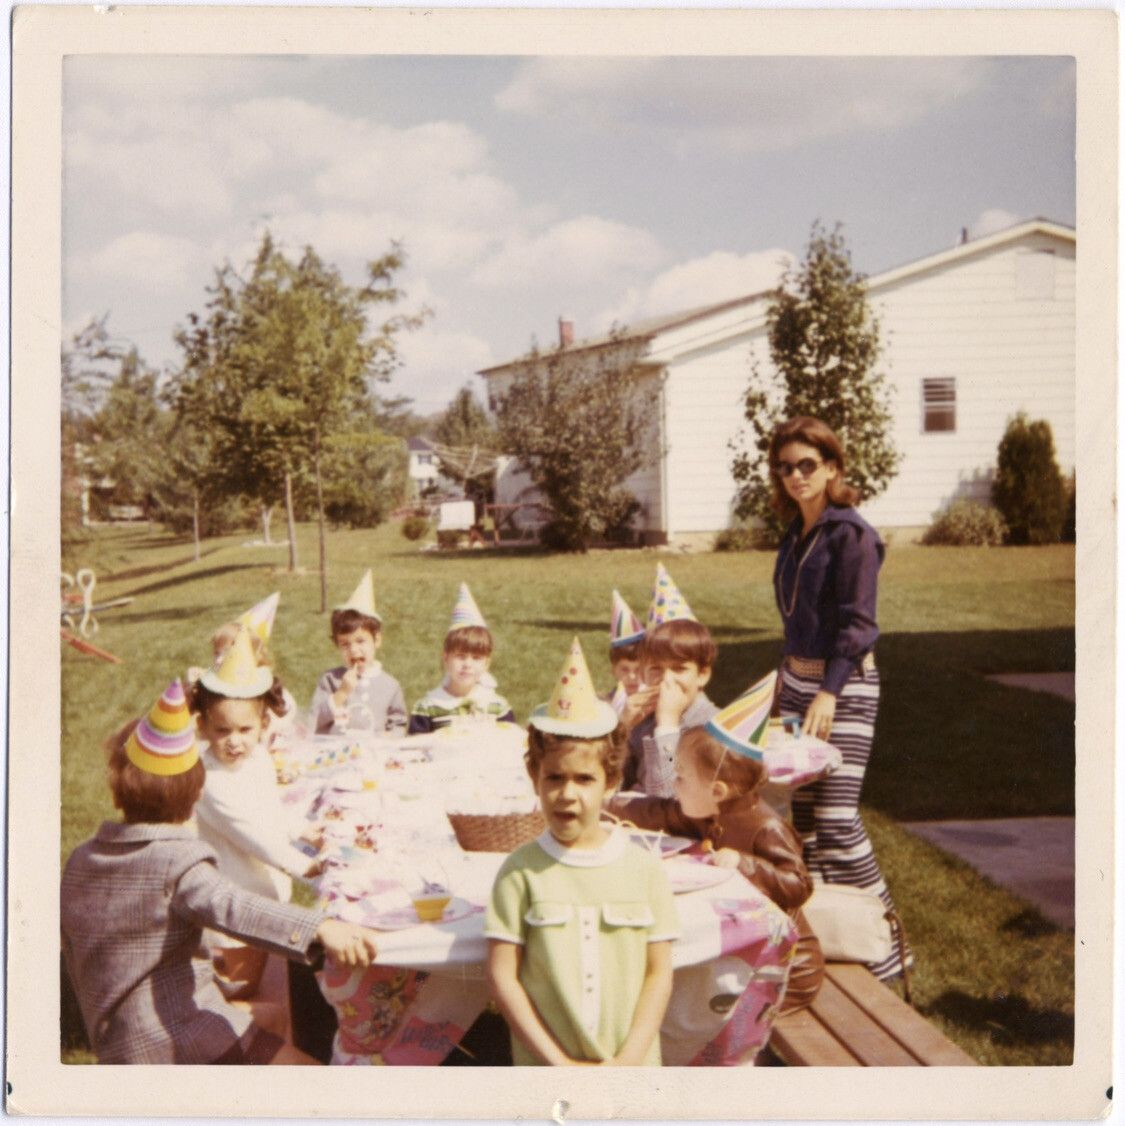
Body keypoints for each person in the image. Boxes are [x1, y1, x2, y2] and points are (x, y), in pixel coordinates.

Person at [61, 678, 380, 1064]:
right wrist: (321, 928)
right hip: (178, 1034)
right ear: (195, 793)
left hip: (114, 1040)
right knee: (311, 1078)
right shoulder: (177, 862)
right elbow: (234, 906)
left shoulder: (81, 858)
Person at [485, 638, 678, 1066]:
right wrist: (561, 1066)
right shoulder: (519, 873)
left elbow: (658, 974)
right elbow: (502, 978)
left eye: (584, 780)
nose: (567, 795)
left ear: (610, 782)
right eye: (554, 777)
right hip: (549, 1075)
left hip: (631, 1075)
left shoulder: (644, 870)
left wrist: (629, 1061)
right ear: (533, 775)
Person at [767, 414, 906, 980]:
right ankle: (826, 938)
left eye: (807, 465)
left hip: (841, 687)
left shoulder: (851, 535)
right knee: (801, 819)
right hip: (796, 683)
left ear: (831, 468)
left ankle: (891, 947)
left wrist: (827, 691)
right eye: (785, 467)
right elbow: (796, 620)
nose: (796, 476)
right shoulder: (794, 534)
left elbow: (858, 624)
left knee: (839, 817)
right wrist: (787, 688)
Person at [610, 722, 824, 1014]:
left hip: (784, 969)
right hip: (740, 957)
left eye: (681, 778)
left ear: (718, 790)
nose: (675, 784)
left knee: (683, 1006)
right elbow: (662, 812)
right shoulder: (709, 811)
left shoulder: (766, 828)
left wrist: (746, 863)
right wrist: (609, 807)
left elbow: (799, 884)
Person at [190, 627, 324, 998]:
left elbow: (270, 809)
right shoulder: (210, 781)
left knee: (270, 976)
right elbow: (255, 836)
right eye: (222, 730)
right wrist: (306, 866)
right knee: (240, 988)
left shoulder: (257, 757)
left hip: (266, 890)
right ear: (203, 727)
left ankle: (271, 1026)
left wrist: (304, 830)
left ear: (264, 725)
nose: (235, 740)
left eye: (245, 729)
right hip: (234, 901)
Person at [622, 616, 719, 797]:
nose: (667, 680)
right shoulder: (643, 721)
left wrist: (667, 725)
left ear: (702, 675)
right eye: (656, 669)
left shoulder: (712, 727)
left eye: (679, 669)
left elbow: (667, 796)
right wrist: (621, 729)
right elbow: (609, 783)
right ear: (643, 674)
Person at [309, 570, 407, 736]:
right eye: (345, 644)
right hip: (336, 755)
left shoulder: (390, 685)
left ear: (377, 640)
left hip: (374, 755)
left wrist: (390, 737)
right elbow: (314, 719)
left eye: (360, 641)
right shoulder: (330, 680)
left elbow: (399, 722)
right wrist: (341, 693)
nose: (353, 650)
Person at [408, 583, 515, 733]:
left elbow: (509, 744)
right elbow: (415, 749)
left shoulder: (497, 706)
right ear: (446, 658)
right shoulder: (428, 707)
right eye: (460, 656)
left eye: (476, 658)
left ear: (487, 663)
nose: (467, 664)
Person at [605, 590, 646, 732]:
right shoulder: (609, 703)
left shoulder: (652, 701)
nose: (632, 677)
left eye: (638, 670)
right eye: (625, 669)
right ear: (613, 671)